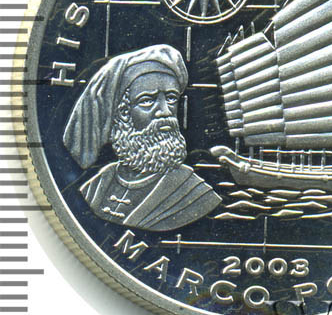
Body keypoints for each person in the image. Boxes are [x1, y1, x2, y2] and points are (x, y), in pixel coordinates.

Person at [63, 44, 221, 231]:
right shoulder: (98, 185)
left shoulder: (194, 194)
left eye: (171, 98)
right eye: (147, 101)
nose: (165, 112)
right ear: (123, 113)